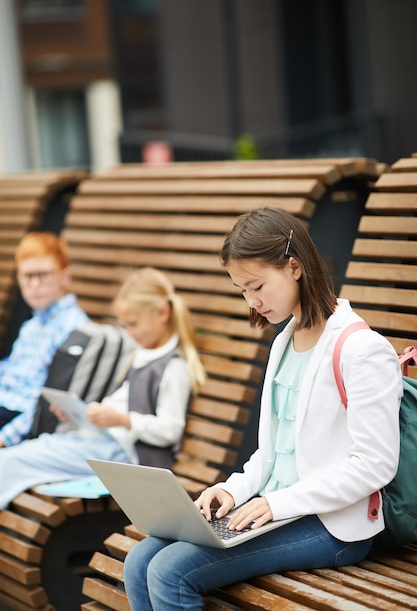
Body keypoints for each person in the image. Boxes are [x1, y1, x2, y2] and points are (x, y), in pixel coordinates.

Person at [123, 207, 403, 611]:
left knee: (170, 572)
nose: (252, 301)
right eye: (242, 290)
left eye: (256, 286)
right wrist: (229, 490)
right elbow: (272, 455)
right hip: (272, 510)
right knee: (138, 562)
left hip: (331, 525)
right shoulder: (284, 341)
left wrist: (276, 504)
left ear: (294, 267)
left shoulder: (361, 349)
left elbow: (375, 464)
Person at [0, 266, 205, 509]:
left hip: (125, 457)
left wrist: (123, 420)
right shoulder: (143, 356)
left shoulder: (173, 367)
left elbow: (170, 429)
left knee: (14, 460)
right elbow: (117, 404)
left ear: (162, 313)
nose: (129, 333)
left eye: (133, 324)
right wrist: (82, 414)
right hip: (103, 444)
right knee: (27, 451)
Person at [0, 232, 90, 447]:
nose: (35, 284)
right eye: (27, 276)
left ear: (65, 276)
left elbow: (50, 401)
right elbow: (12, 369)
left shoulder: (74, 329)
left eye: (44, 275)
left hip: (20, 420)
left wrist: (5, 438)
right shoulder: (31, 326)